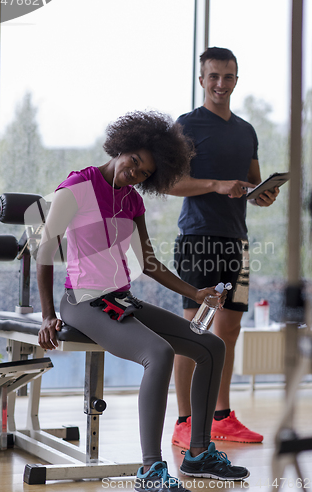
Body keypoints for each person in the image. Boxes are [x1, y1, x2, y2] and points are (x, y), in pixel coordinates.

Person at [36, 110, 250, 490]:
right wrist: (48, 314)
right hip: (81, 300)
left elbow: (147, 261)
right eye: (133, 163)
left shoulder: (132, 202)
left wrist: (195, 292)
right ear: (121, 148)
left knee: (211, 346)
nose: (133, 174)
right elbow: (43, 249)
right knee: (160, 352)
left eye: (144, 173)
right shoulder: (77, 187)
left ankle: (198, 454)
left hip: (119, 297)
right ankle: (150, 471)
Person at [170, 47, 279, 449]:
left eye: (227, 76)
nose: (220, 84)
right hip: (198, 239)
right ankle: (184, 421)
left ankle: (220, 416)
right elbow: (170, 184)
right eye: (213, 76)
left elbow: (251, 183)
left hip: (238, 241)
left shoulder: (246, 130)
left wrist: (262, 194)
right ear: (201, 79)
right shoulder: (186, 125)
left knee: (228, 330)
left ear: (236, 79)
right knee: (191, 331)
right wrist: (216, 184)